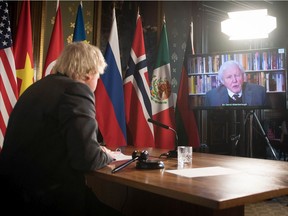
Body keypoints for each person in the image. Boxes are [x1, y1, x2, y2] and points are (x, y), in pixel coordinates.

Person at [0, 42, 122, 216]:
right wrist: (108, 155)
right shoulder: (76, 90)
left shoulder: (36, 88)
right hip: (49, 199)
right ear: (89, 73)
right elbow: (87, 159)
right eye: (98, 76)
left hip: (15, 193)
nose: (97, 81)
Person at [205, 60, 270, 107]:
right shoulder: (211, 97)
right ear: (222, 81)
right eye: (229, 77)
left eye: (237, 75)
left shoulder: (259, 92)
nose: (234, 80)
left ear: (243, 77)